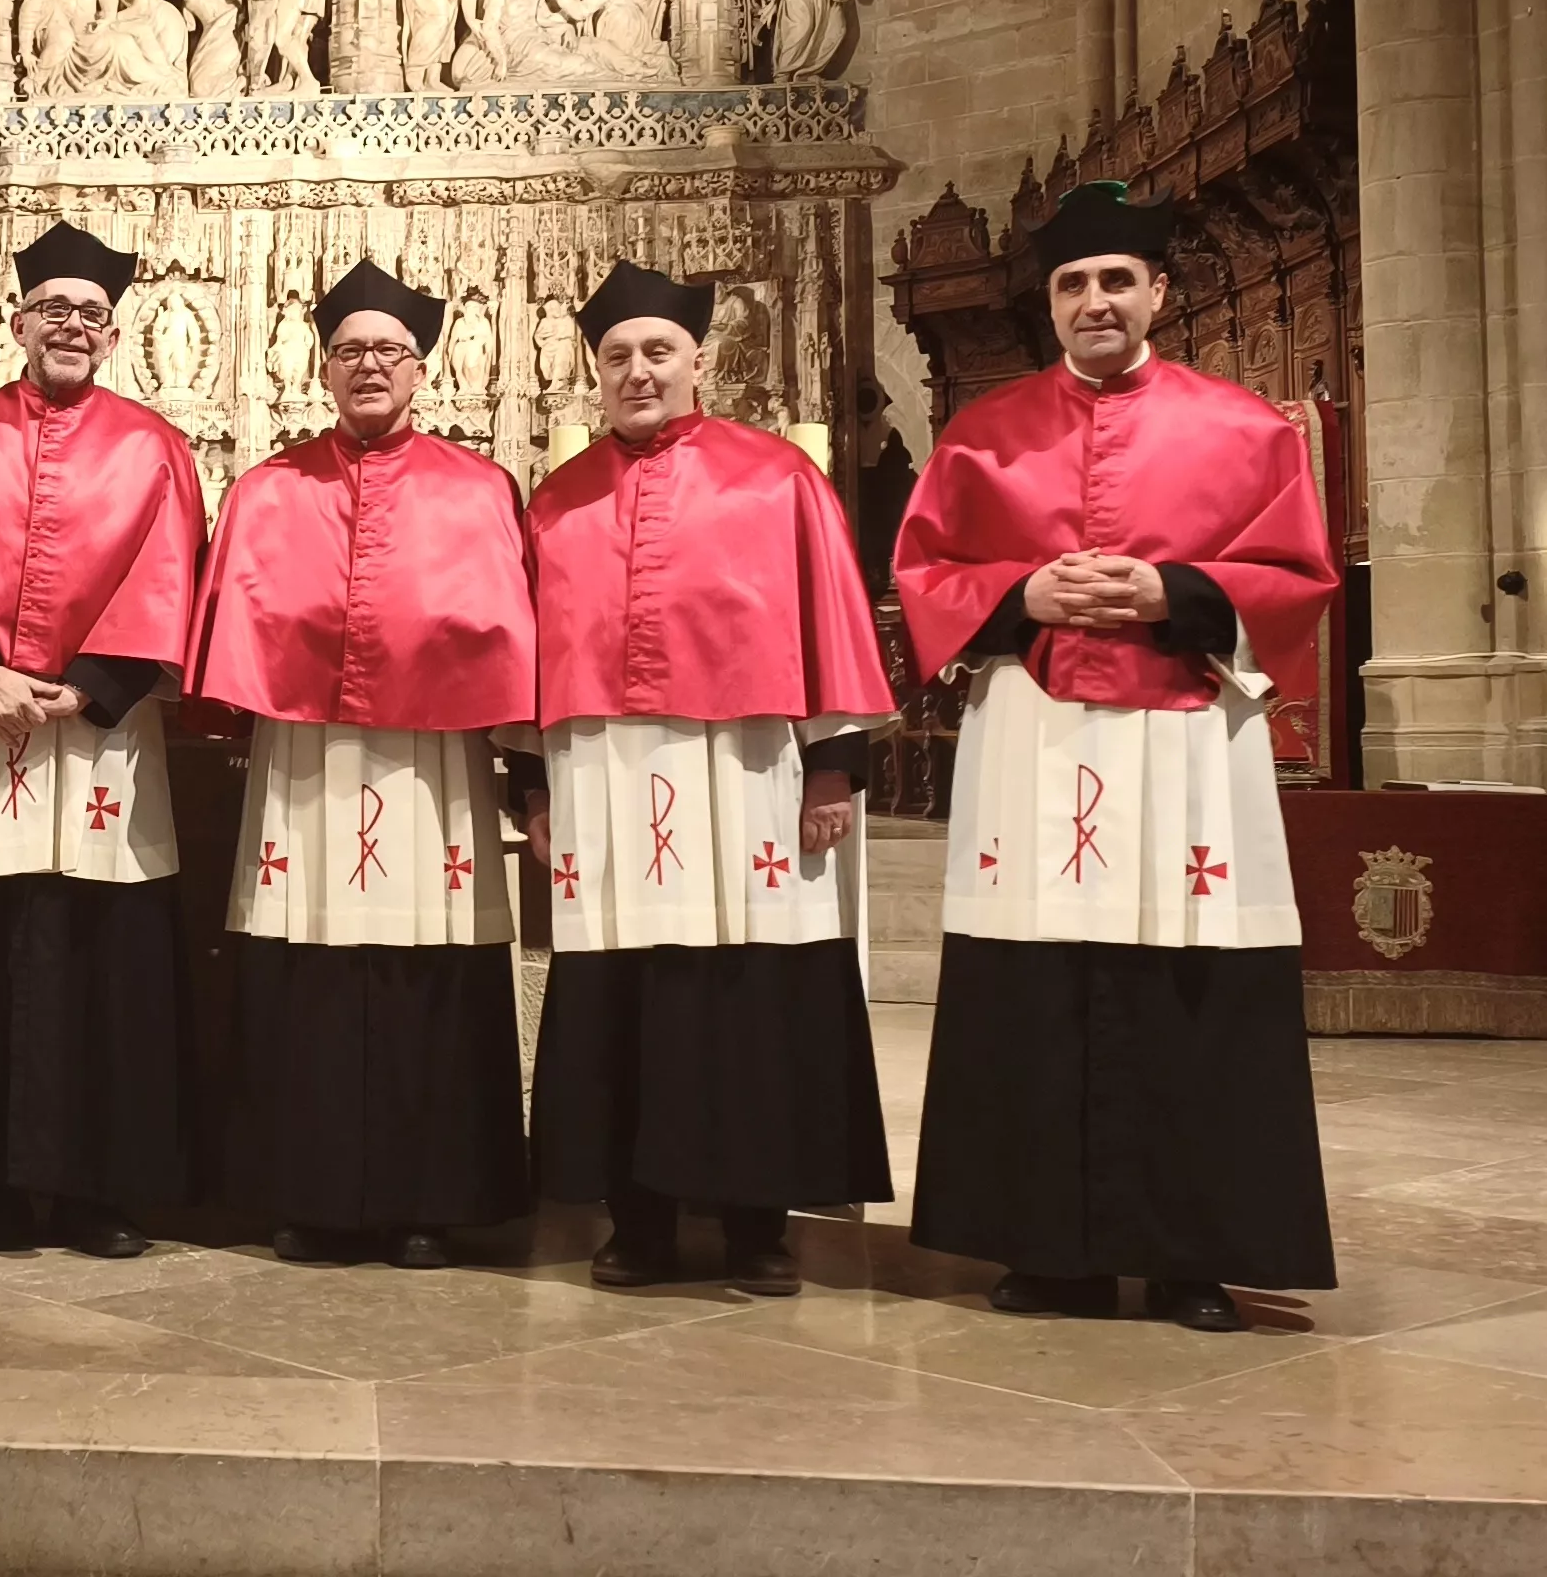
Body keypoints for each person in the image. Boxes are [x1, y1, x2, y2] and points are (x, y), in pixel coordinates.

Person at [893, 182, 1340, 1332]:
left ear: (1158, 292)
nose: (1094, 300)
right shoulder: (980, 436)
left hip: (1185, 735)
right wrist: (1022, 590)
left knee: (1189, 982)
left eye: (1114, 280)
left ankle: (1193, 1253)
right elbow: (921, 575)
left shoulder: (1246, 430)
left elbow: (1297, 579)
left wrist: (1169, 587)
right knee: (1033, 984)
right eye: (1071, 284)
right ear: (1049, 305)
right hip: (1033, 733)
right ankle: (1045, 1249)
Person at [519, 259, 896, 1293]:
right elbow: (526, 657)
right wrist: (534, 791)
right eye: (616, 356)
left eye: (655, 351)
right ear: (595, 372)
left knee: (747, 993)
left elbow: (831, 625)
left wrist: (831, 771)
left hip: (746, 773)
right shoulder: (557, 501)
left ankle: (753, 1226)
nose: (637, 371)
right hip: (601, 772)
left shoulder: (776, 477)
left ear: (697, 359)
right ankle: (634, 1221)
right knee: (621, 994)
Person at [184, 262, 534, 1268]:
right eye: (350, 351)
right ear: (322, 368)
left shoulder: (479, 490)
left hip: (435, 768)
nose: (368, 365)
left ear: (421, 369)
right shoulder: (265, 490)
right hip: (306, 766)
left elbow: (507, 642)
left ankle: (434, 1196)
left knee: (430, 968)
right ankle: (309, 1194)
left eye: (388, 350)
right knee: (308, 975)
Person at [0, 219, 206, 1260]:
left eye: (90, 315)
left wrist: (88, 686)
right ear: (17, 321)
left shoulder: (152, 444)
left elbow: (171, 571)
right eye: (52, 309)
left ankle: (96, 1190)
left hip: (98, 733)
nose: (71, 326)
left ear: (113, 335)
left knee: (97, 953)